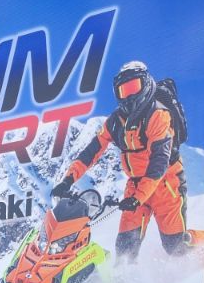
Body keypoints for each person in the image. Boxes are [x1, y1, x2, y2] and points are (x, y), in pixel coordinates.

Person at [52, 60, 191, 259]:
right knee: (125, 249)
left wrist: (138, 198)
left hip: (166, 184)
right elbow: (92, 151)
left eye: (134, 88)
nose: (129, 96)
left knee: (176, 246)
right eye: (123, 91)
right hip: (135, 187)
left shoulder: (158, 115)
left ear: (147, 85)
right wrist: (68, 180)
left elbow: (159, 163)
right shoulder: (115, 122)